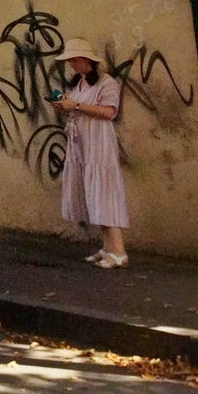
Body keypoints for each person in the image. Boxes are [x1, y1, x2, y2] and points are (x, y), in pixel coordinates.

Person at [50, 37, 129, 268]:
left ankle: (119, 251)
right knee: (94, 193)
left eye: (74, 60)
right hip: (82, 143)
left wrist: (75, 105)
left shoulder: (106, 83)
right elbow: (79, 110)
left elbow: (109, 112)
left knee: (105, 192)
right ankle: (108, 247)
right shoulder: (80, 83)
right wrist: (65, 107)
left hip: (98, 142)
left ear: (87, 59)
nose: (72, 64)